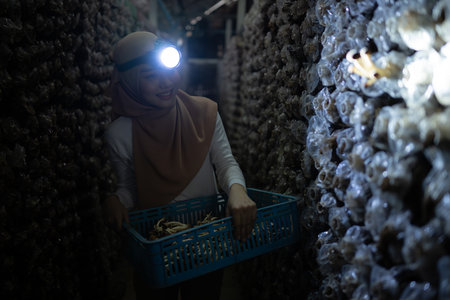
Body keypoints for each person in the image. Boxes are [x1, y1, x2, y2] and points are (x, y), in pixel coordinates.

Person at [103, 31, 257, 300]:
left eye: (170, 71)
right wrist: (117, 200)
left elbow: (225, 163)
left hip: (206, 241)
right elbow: (129, 186)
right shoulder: (119, 134)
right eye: (150, 76)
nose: (167, 83)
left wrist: (237, 189)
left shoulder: (205, 112)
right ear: (129, 81)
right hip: (157, 246)